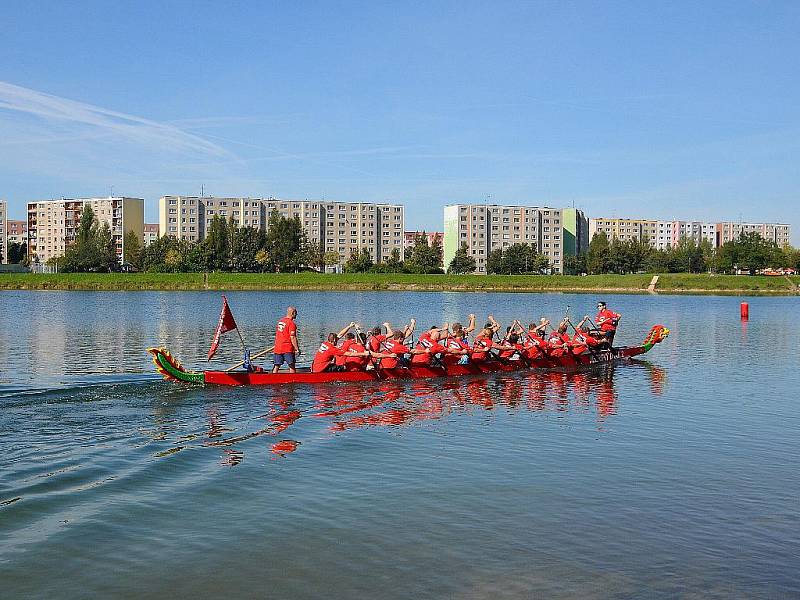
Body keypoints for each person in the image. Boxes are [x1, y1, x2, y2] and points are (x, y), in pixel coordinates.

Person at [273, 306, 300, 373]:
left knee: (276, 366)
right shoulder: (291, 323)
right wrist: (297, 349)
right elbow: (292, 337)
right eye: (296, 313)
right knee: (291, 365)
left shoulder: (280, 321)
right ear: (292, 313)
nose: (296, 314)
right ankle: (293, 380)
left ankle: (273, 378)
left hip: (278, 347)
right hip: (287, 348)